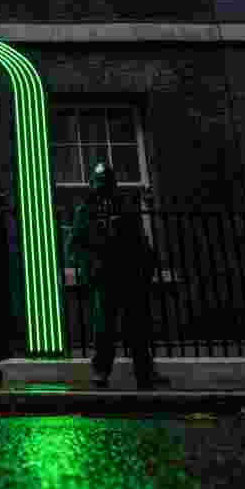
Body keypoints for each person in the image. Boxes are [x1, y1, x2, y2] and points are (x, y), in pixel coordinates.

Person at [67, 161, 171, 390]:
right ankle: (102, 371)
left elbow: (140, 241)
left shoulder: (125, 207)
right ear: (93, 184)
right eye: (99, 182)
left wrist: (146, 267)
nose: (102, 186)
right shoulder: (85, 210)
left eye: (106, 182)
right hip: (104, 275)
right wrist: (90, 268)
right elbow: (75, 245)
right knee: (105, 328)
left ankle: (144, 373)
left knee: (137, 327)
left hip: (129, 273)